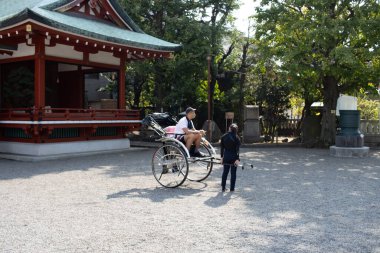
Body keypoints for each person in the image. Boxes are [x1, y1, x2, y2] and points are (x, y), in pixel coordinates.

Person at [220, 123, 241, 192]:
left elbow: (222, 148)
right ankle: (232, 188)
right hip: (234, 157)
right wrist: (237, 159)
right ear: (236, 130)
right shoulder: (237, 137)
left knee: (225, 172)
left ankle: (223, 187)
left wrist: (222, 157)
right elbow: (237, 150)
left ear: (229, 128)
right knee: (233, 173)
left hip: (226, 156)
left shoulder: (223, 136)